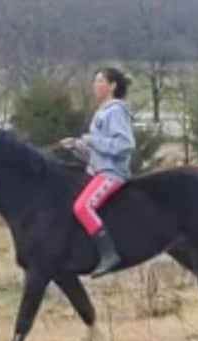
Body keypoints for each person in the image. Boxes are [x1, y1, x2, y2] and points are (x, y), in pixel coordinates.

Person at [61, 67, 135, 278]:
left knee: (83, 207)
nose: (95, 85)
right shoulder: (101, 113)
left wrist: (92, 140)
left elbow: (124, 144)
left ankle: (109, 254)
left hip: (112, 173)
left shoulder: (116, 111)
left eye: (100, 81)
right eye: (95, 81)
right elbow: (96, 153)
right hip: (99, 171)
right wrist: (76, 145)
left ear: (112, 86)